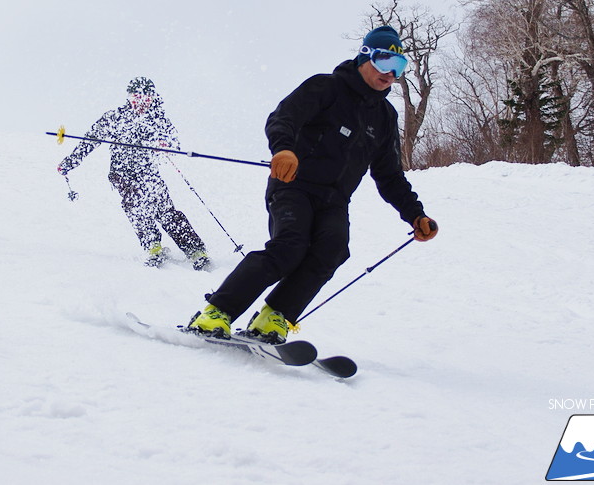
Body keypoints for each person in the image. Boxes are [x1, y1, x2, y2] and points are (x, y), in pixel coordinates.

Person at [187, 25, 439, 342]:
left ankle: (273, 318)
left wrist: (415, 214)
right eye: (385, 61)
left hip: (334, 200)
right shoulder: (327, 88)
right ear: (365, 56)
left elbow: (389, 175)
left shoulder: (385, 117)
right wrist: (283, 149)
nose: (391, 74)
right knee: (289, 247)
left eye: (399, 67)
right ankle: (216, 313)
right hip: (294, 186)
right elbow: (284, 117)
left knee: (333, 250)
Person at [57, 77, 210, 270]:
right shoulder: (115, 117)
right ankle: (154, 249)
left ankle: (196, 251)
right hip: (121, 172)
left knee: (164, 210)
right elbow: (90, 141)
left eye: (146, 96)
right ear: (129, 97)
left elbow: (172, 142)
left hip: (148, 172)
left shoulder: (158, 119)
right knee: (136, 206)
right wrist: (70, 162)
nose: (141, 100)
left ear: (153, 98)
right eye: (137, 96)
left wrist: (165, 146)